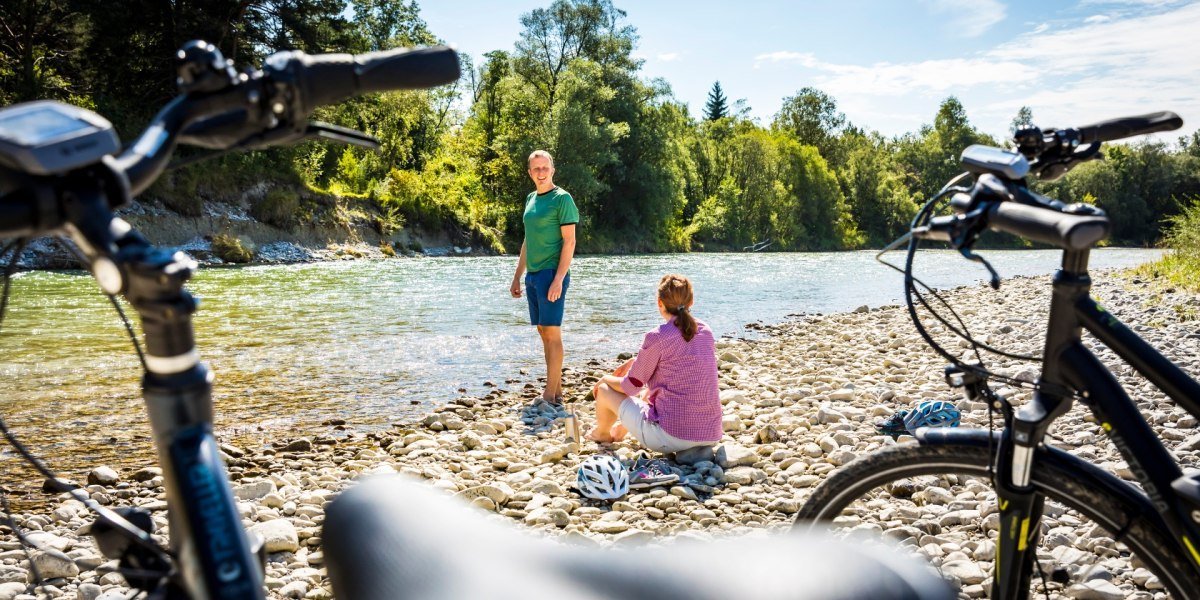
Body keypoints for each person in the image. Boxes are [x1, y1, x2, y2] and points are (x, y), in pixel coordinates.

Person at [586, 274, 723, 454]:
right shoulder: (705, 330)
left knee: (605, 389)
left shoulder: (657, 336)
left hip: (671, 438)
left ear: (660, 302)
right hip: (709, 434)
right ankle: (620, 431)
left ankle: (603, 433)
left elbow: (629, 387)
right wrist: (637, 362)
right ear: (692, 301)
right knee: (653, 390)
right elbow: (680, 364)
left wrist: (605, 378)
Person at [510, 150, 578, 404]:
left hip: (551, 273)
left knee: (552, 331)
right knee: (542, 330)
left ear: (552, 169)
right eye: (536, 169)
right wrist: (518, 276)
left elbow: (569, 242)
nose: (541, 172)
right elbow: (528, 240)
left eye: (545, 168)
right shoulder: (530, 199)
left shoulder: (562, 199)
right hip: (533, 275)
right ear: (530, 172)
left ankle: (549, 394)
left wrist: (559, 279)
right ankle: (556, 390)